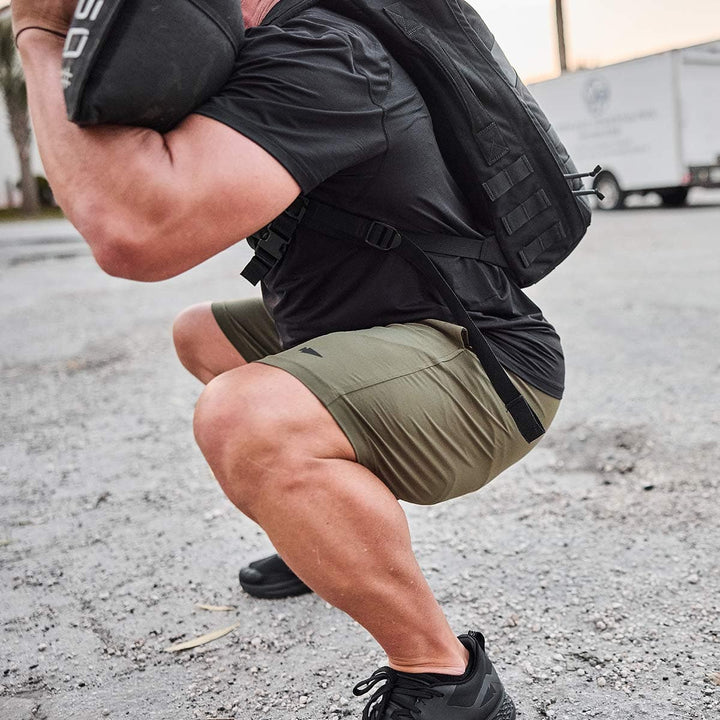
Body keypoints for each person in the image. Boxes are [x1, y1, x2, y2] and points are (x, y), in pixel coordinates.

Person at [14, 0, 564, 717]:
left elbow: (134, 233)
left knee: (245, 421)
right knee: (200, 334)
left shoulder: (325, 55)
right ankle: (324, 537)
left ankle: (446, 679)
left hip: (484, 369)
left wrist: (38, 31)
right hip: (391, 333)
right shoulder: (273, 55)